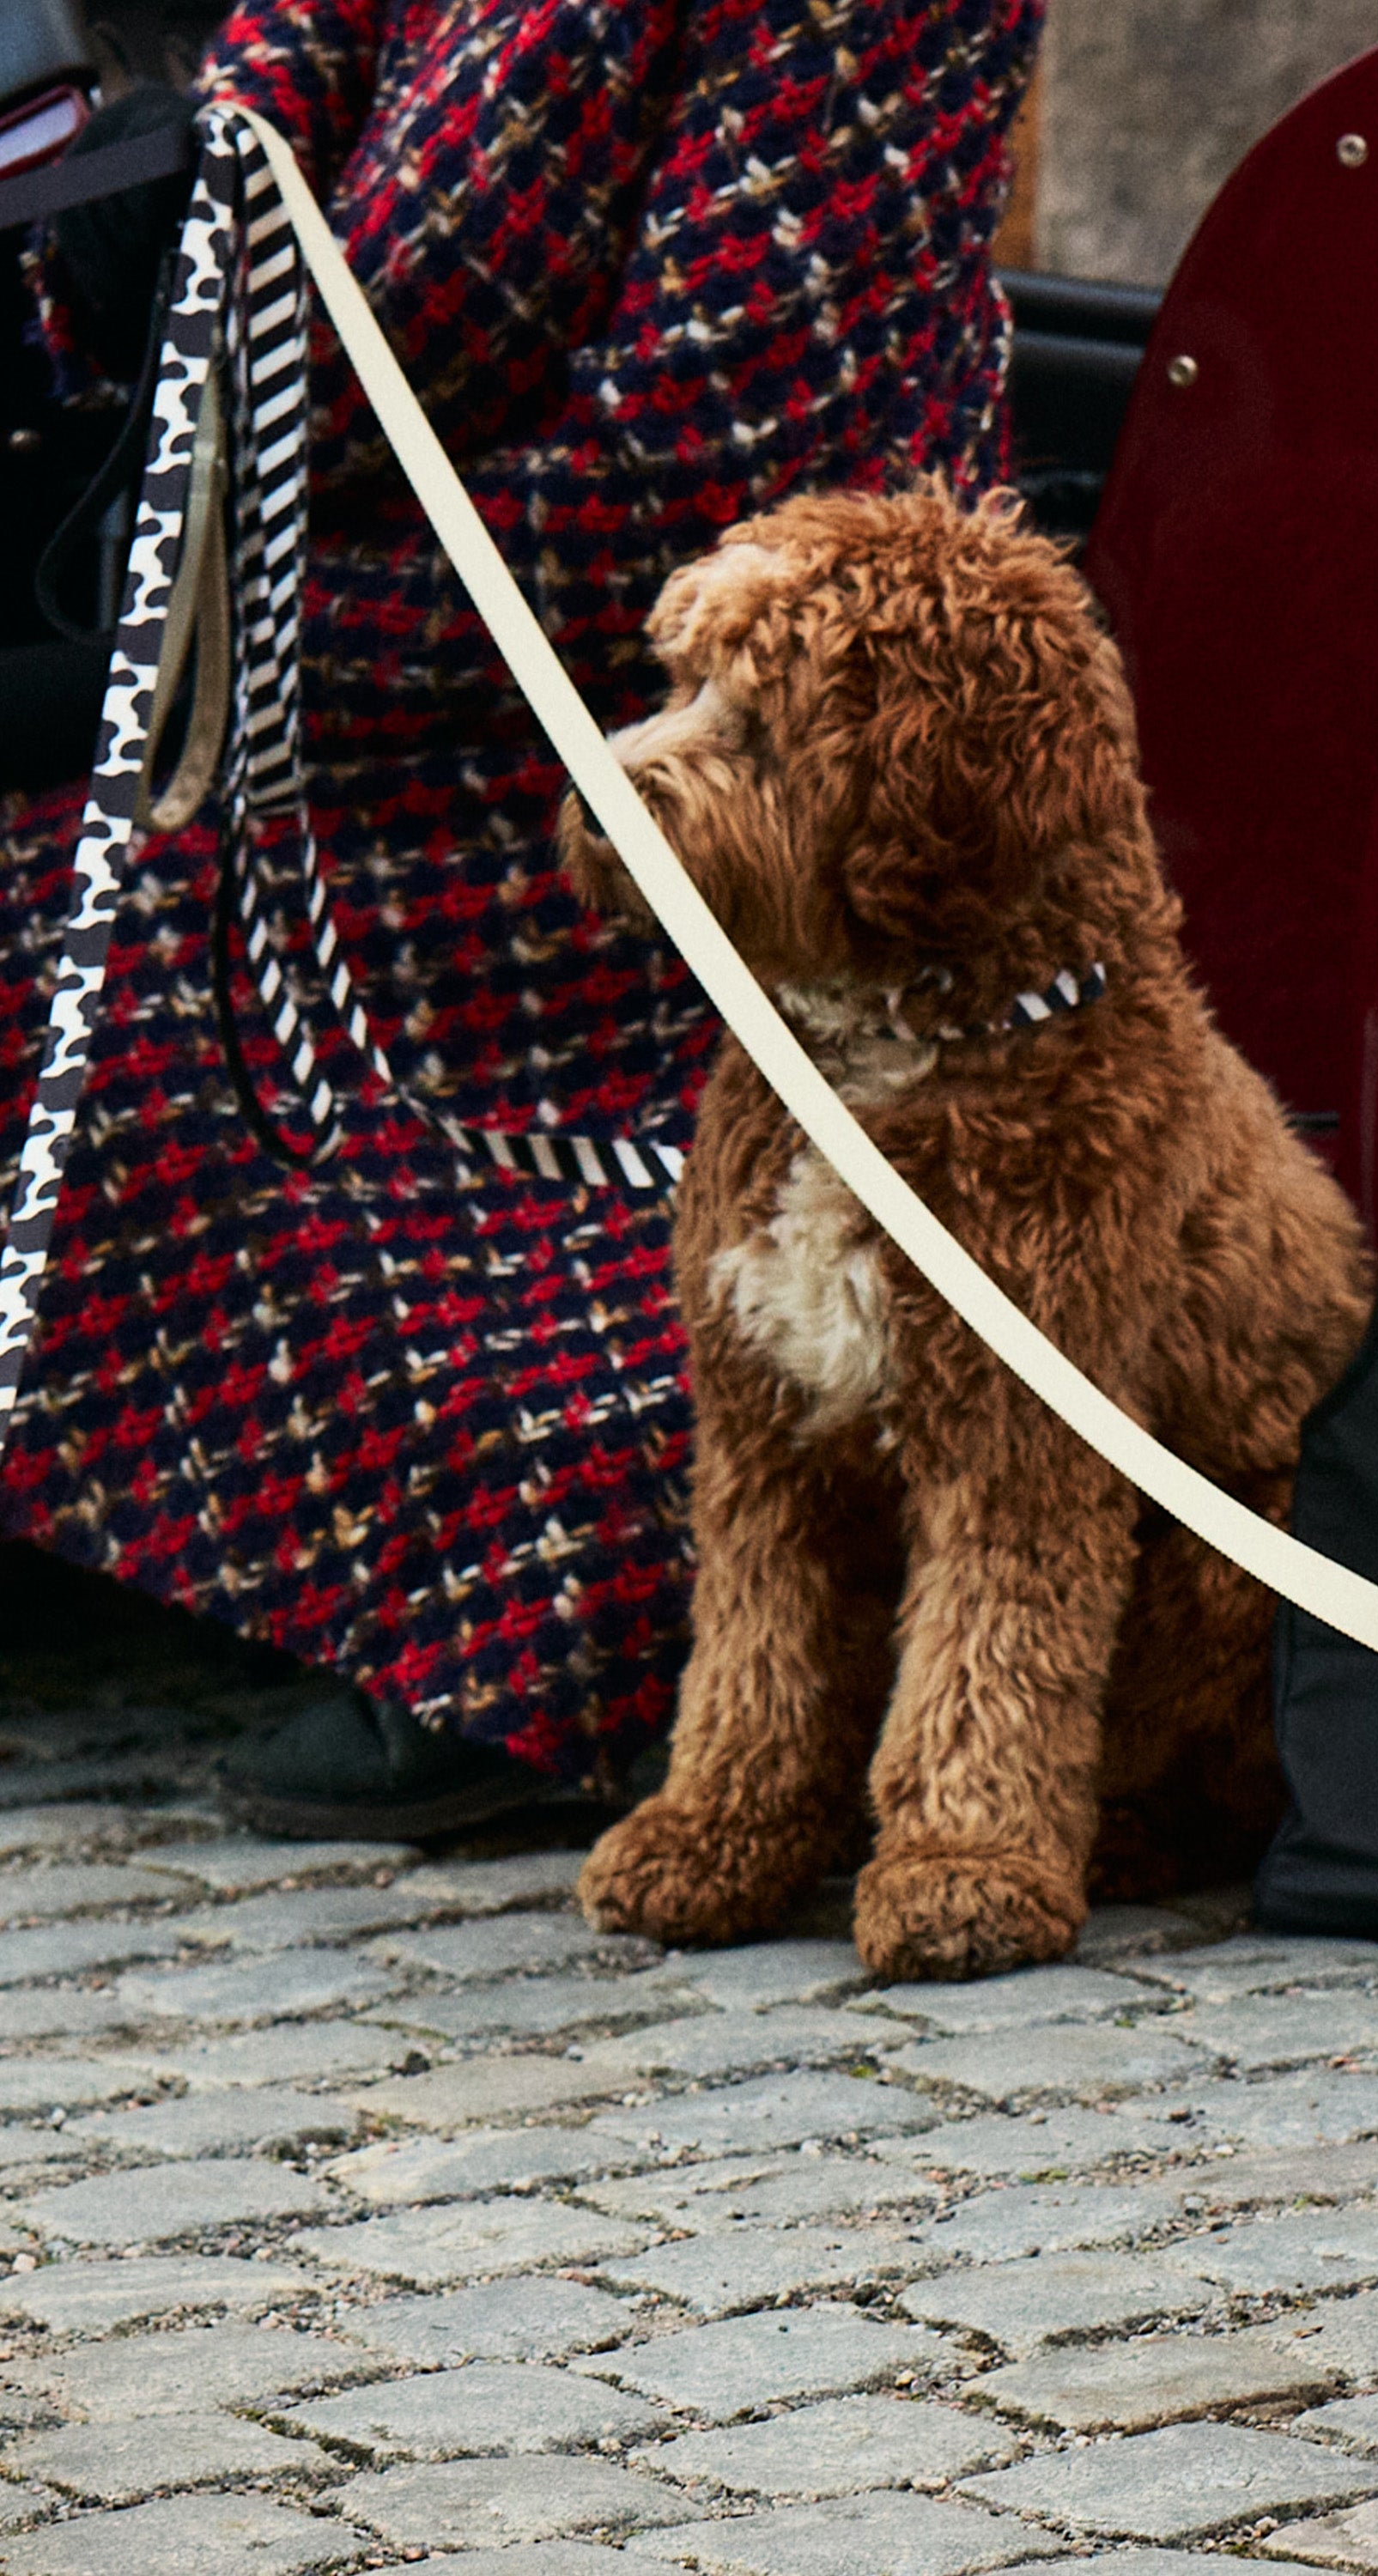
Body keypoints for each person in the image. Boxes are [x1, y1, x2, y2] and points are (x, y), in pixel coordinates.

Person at [0, 0, 1041, 1836]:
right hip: (329, 586)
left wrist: (229, 650)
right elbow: (272, 115)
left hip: (666, 728)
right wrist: (141, 275)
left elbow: (695, 468)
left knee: (121, 935)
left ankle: (544, 1608)